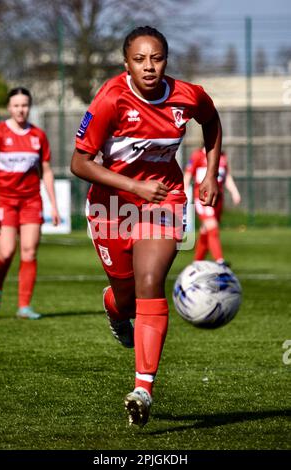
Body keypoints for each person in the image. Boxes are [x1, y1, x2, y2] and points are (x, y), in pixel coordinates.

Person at [71, 25, 222, 427]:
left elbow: (211, 120)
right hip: (112, 208)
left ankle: (143, 389)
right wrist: (134, 185)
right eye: (139, 59)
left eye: (156, 58)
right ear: (127, 64)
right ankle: (113, 307)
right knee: (125, 294)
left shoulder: (188, 95)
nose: (149, 66)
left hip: (164, 201)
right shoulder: (110, 99)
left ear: (165, 60)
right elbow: (79, 163)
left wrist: (209, 174)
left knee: (150, 281)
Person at [0, 87, 60, 319]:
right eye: (16, 105)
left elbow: (47, 171)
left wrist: (54, 205)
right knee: (7, 250)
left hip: (31, 201)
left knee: (29, 252)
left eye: (25, 105)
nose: (21, 109)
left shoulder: (38, 136)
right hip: (4, 200)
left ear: (29, 107)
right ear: (9, 108)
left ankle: (24, 306)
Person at [184, 146, 241, 264]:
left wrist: (234, 192)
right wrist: (184, 193)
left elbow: (227, 177)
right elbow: (188, 175)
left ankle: (197, 262)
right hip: (203, 199)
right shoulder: (197, 156)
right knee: (212, 227)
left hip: (218, 200)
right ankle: (220, 261)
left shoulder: (222, 158)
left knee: (206, 231)